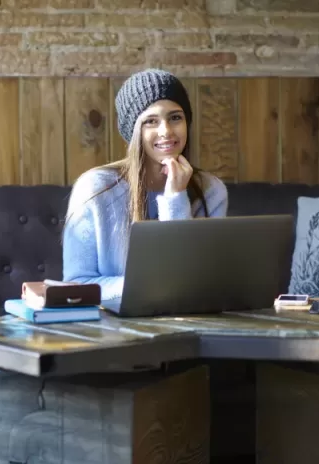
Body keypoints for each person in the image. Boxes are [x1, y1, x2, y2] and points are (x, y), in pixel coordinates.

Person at [61, 68, 229, 301]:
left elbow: (193, 282)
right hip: (111, 325)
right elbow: (77, 283)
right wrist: (148, 286)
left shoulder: (212, 190)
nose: (166, 131)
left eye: (175, 117)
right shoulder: (95, 188)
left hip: (186, 321)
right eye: (151, 121)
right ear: (134, 131)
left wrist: (175, 198)